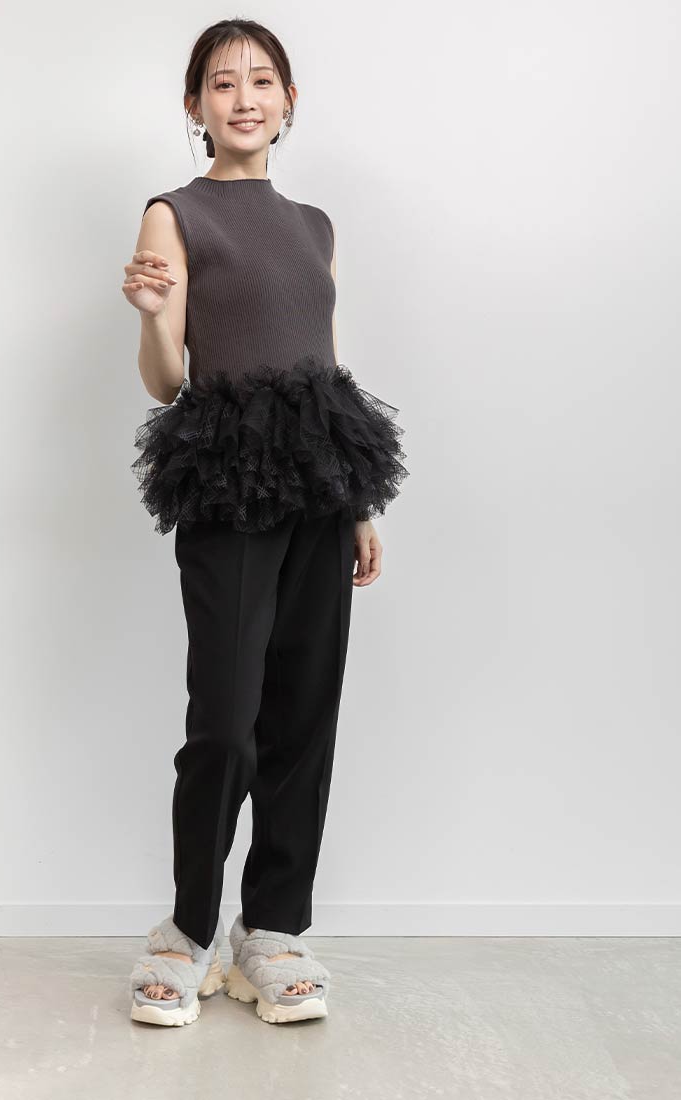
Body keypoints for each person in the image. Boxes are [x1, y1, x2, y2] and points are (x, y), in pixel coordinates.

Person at [122, 19, 409, 1026]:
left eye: (260, 80)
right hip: (226, 483)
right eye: (221, 82)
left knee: (303, 715)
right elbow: (167, 380)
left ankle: (274, 933)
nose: (242, 97)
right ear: (194, 106)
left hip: (320, 488)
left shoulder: (315, 224)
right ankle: (187, 932)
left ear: (287, 101)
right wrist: (153, 318)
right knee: (225, 720)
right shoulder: (174, 213)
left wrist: (358, 502)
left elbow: (322, 363)